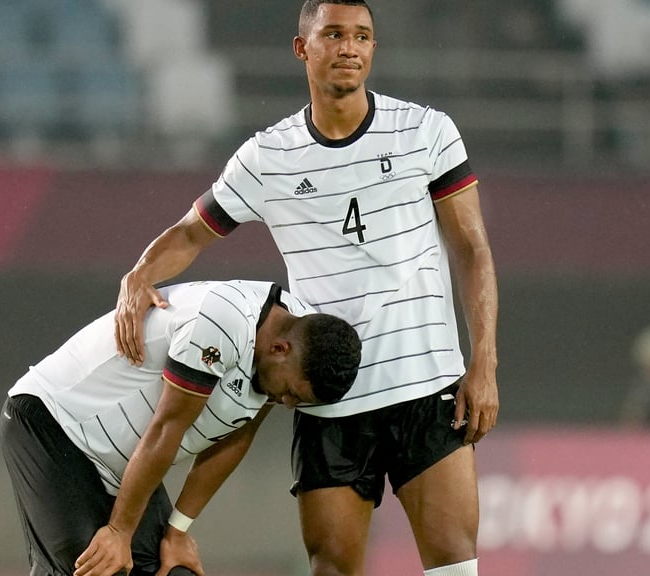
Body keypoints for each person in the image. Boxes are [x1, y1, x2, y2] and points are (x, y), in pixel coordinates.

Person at [114, 3, 500, 575]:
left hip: (428, 388)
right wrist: (139, 274)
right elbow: (194, 230)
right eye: (335, 34)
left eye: (363, 36)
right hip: (329, 401)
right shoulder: (268, 155)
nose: (350, 47)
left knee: (453, 567)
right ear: (303, 49)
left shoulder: (426, 130)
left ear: (373, 49)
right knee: (332, 568)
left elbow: (471, 248)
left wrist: (485, 363)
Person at [0, 280, 362, 576]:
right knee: (92, 569)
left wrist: (177, 531)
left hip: (126, 464)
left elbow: (236, 436)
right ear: (279, 348)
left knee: (176, 572)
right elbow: (166, 429)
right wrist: (119, 531)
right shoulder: (223, 321)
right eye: (291, 393)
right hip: (56, 425)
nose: (286, 404)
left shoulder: (299, 344)